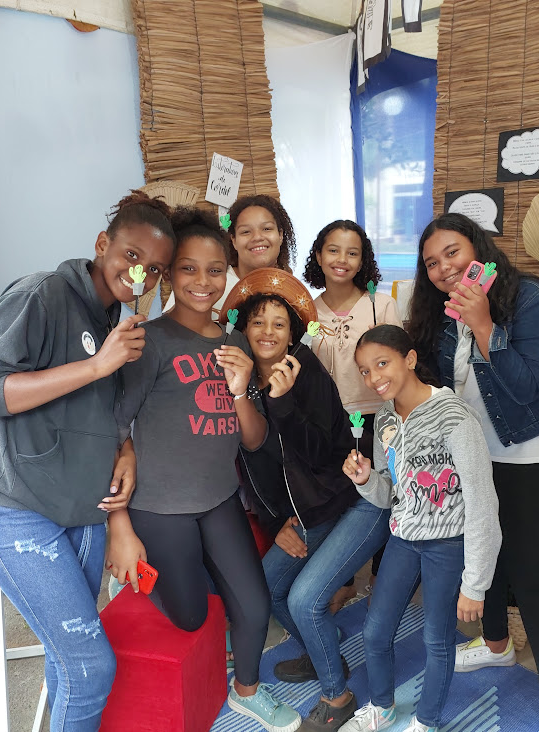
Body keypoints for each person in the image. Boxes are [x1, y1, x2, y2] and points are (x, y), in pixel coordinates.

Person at [0, 191, 176, 731]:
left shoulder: (118, 323)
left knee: (67, 662)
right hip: (17, 511)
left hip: (82, 511)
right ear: (102, 245)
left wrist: (125, 449)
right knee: (91, 667)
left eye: (154, 268)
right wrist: (96, 366)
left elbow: (108, 415)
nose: (139, 274)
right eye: (131, 255)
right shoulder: (42, 294)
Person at [106, 209, 300, 732]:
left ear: (228, 273)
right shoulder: (148, 341)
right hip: (159, 507)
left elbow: (254, 440)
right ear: (169, 274)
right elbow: (113, 430)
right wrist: (119, 526)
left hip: (219, 499)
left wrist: (240, 391)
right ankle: (151, 576)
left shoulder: (234, 343)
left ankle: (247, 691)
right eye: (188, 269)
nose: (203, 281)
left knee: (255, 607)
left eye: (215, 270)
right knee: (192, 616)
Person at [408, 212, 539, 732]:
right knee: (486, 553)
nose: (443, 269)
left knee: (533, 574)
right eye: (431, 263)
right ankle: (497, 644)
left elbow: (526, 388)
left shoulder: (531, 299)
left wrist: (483, 324)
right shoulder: (439, 311)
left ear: (478, 248)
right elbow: (437, 383)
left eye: (452, 253)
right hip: (469, 453)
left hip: (524, 451)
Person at [220, 270, 390, 732]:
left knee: (304, 599)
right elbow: (251, 466)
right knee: (267, 589)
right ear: (243, 328)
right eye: (258, 322)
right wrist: (275, 522)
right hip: (309, 512)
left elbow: (325, 454)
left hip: (355, 500)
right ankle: (323, 650)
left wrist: (283, 402)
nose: (268, 332)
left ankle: (338, 696)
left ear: (293, 332)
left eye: (279, 323)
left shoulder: (306, 371)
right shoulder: (242, 382)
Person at [339, 324, 501, 732]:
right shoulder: (385, 420)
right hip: (403, 539)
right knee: (375, 632)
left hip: (448, 544)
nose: (374, 378)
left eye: (382, 364)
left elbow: (483, 502)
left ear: (409, 359)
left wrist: (475, 584)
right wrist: (365, 480)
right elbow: (390, 493)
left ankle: (427, 721)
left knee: (436, 640)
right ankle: (382, 707)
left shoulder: (453, 415)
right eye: (365, 370)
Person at [304, 220, 402, 607]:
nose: (341, 259)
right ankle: (342, 581)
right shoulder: (306, 310)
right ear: (318, 255)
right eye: (333, 250)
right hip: (328, 421)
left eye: (352, 252)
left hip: (378, 418)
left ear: (363, 260)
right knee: (338, 497)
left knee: (384, 494)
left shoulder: (380, 305)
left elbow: (397, 366)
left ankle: (381, 577)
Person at [210, 193, 297, 314]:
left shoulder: (293, 292)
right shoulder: (214, 286)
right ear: (234, 240)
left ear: (280, 235)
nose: (257, 237)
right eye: (246, 231)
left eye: (266, 229)